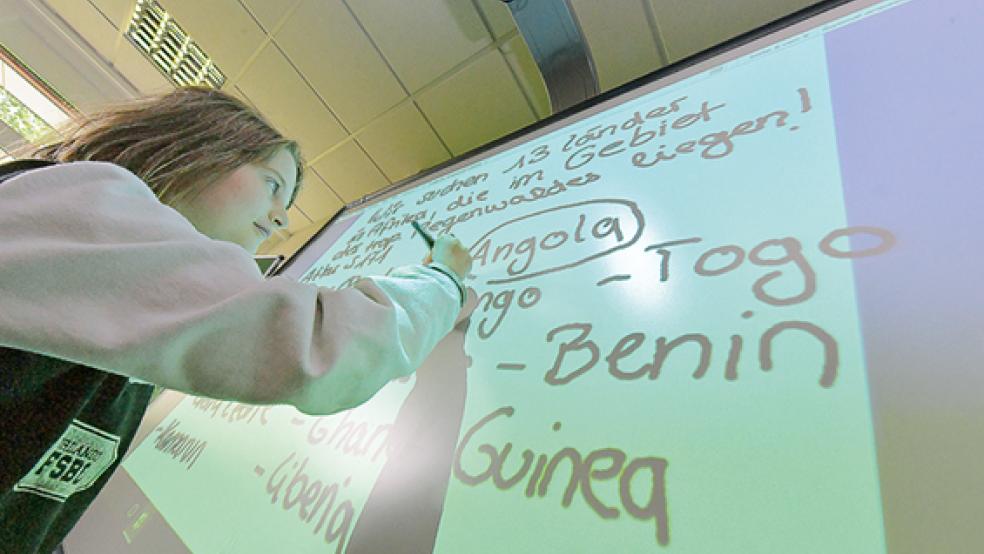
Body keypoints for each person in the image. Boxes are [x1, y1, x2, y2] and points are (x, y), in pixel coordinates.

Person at [0, 86, 473, 553]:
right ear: (203, 144)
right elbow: (318, 346)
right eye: (273, 185)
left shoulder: (130, 322)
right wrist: (444, 280)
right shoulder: (86, 196)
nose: (280, 219)